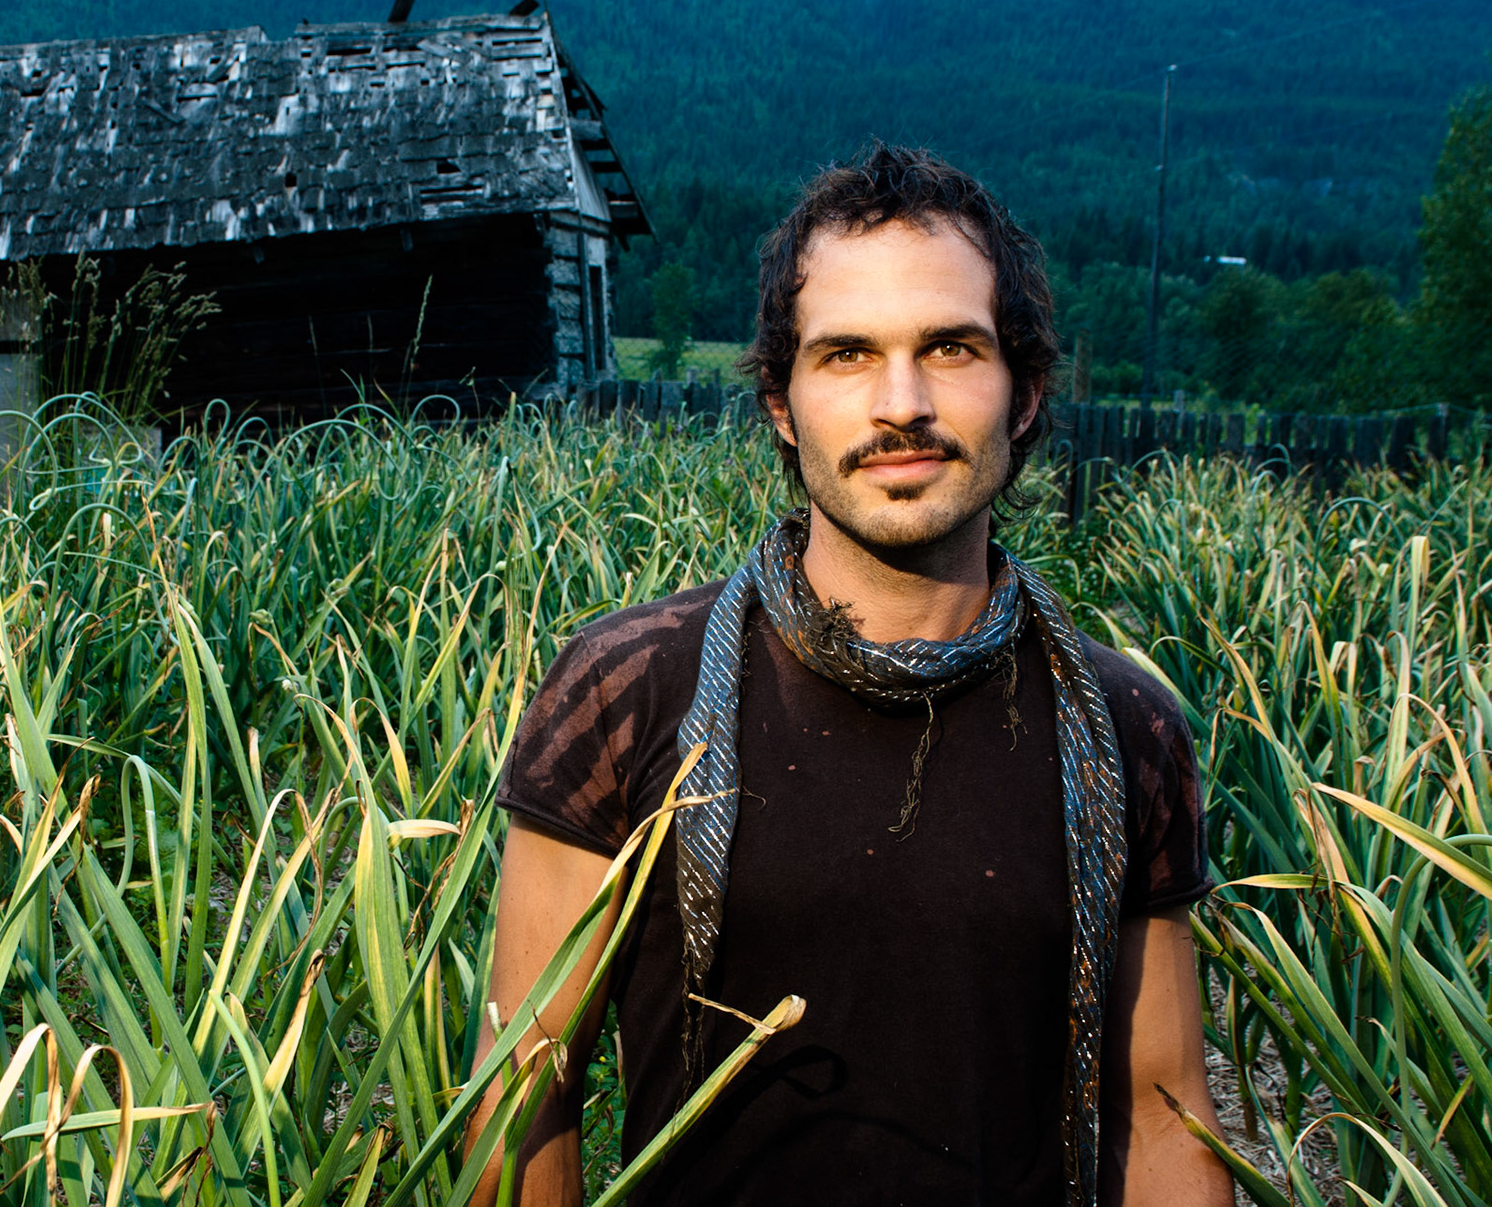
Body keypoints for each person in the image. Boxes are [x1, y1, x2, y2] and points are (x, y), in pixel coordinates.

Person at [464, 144, 1232, 1206]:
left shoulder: (1127, 725)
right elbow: (523, 1094)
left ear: (1025, 392)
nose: (902, 403)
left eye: (952, 349)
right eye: (848, 355)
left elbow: (1161, 1113)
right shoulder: (628, 690)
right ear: (780, 403)